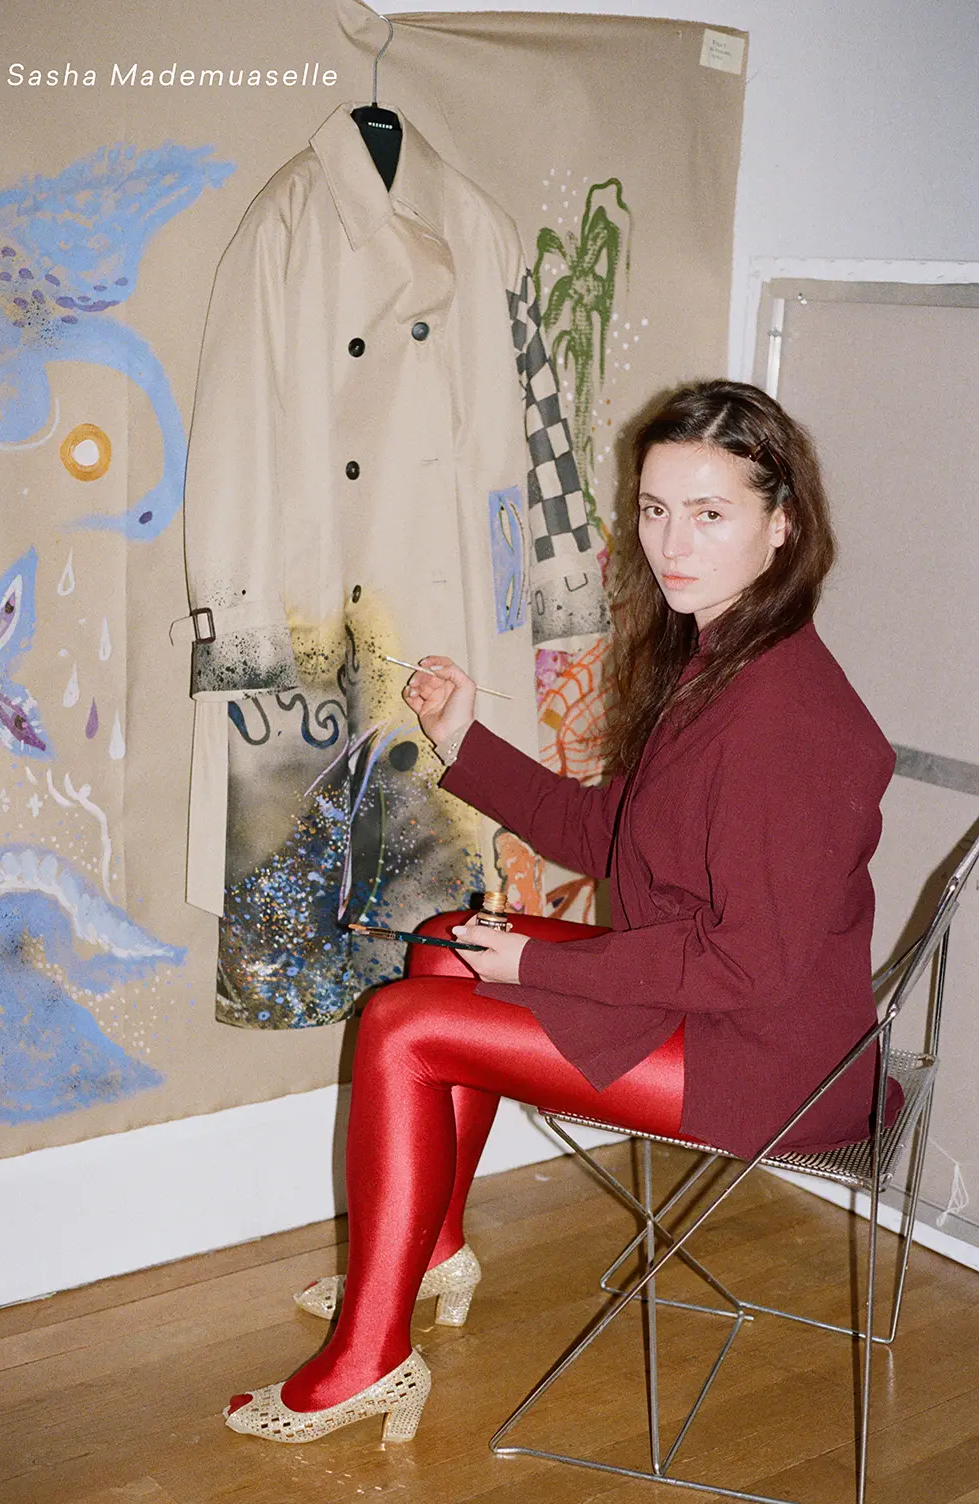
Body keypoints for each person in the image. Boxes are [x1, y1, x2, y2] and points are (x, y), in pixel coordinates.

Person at [223, 379, 898, 1446]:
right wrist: (463, 743)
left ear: (782, 525)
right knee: (447, 948)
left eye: (708, 513)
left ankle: (366, 1356)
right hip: (719, 1003)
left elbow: (746, 970)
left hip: (767, 1062)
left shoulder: (784, 720)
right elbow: (617, 838)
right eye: (653, 508)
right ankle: (430, 1245)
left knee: (406, 1024)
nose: (670, 542)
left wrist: (536, 970)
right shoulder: (717, 656)